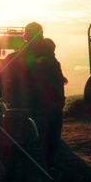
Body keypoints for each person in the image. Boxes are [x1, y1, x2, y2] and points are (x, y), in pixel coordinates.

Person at [35, 37, 67, 169]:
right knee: (52, 135)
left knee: (47, 135)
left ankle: (47, 163)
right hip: (52, 104)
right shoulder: (50, 62)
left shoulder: (44, 62)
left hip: (48, 105)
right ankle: (49, 162)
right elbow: (59, 82)